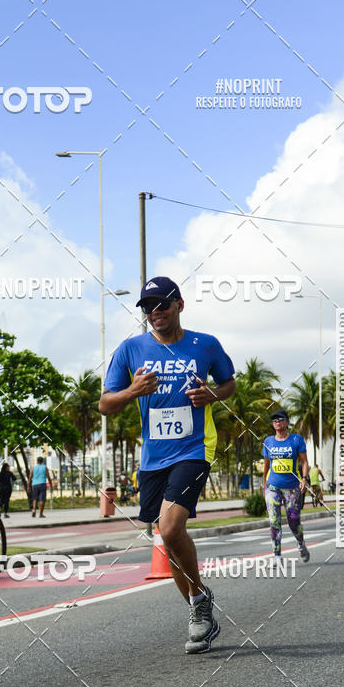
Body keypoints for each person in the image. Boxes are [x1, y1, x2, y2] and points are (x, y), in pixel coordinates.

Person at [99, 276, 235, 654]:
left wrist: (211, 394)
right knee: (167, 536)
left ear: (180, 305)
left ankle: (199, 604)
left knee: (171, 527)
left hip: (195, 448)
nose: (155, 312)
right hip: (154, 457)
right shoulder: (131, 349)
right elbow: (105, 404)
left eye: (162, 304)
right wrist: (132, 391)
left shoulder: (205, 344)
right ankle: (199, 604)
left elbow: (229, 384)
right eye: (148, 306)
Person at [262, 409, 310, 562]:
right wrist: (264, 486)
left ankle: (301, 544)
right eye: (274, 420)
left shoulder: (296, 439)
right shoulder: (268, 441)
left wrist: (304, 479)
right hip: (273, 486)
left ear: (287, 422)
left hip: (292, 487)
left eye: (281, 419)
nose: (277, 422)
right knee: (274, 521)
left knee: (293, 520)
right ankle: (277, 555)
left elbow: (304, 462)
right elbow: (266, 465)